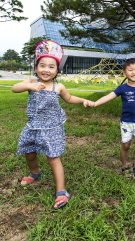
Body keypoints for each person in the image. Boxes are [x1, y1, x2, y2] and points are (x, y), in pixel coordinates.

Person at [12, 40, 94, 210]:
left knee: (53, 158)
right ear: (36, 68)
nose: (46, 70)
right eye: (42, 65)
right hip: (33, 126)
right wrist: (30, 85)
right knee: (29, 153)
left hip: (52, 128)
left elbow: (70, 98)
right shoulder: (32, 82)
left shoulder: (58, 87)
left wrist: (83, 100)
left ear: (57, 70)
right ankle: (35, 174)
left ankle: (61, 191)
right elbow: (15, 88)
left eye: (51, 67)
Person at [91, 58, 135, 180]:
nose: (134, 72)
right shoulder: (122, 88)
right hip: (126, 122)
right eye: (130, 70)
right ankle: (124, 165)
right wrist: (95, 103)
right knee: (126, 146)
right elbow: (109, 96)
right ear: (124, 73)